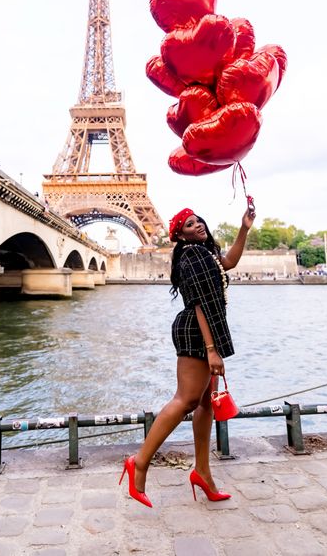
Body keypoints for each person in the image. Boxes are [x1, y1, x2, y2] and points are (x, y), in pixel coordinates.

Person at [119, 204, 255, 508]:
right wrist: (211, 350)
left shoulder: (204, 254)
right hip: (197, 331)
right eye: (190, 225)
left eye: (199, 221)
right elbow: (197, 302)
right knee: (186, 400)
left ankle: (203, 473)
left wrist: (244, 227)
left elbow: (229, 262)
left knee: (206, 402)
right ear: (180, 235)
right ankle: (139, 463)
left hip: (202, 330)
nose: (198, 226)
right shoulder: (191, 255)